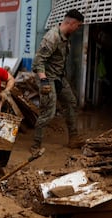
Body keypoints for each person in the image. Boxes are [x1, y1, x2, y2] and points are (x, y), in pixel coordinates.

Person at [30, 9, 85, 156]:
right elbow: (37, 62)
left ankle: (73, 138)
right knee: (49, 112)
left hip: (59, 77)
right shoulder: (52, 37)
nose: (78, 29)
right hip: (46, 77)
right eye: (78, 26)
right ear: (71, 23)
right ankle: (35, 145)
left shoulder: (66, 36)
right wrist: (44, 81)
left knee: (71, 102)